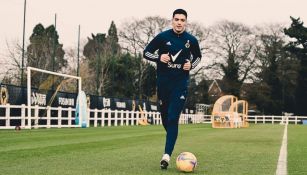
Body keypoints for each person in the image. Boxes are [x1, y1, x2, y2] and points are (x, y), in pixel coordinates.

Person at [143, 9, 202, 170]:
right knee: (165, 119)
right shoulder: (163, 37)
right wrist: (158, 57)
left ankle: (166, 156)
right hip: (163, 85)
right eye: (177, 19)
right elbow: (146, 52)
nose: (179, 22)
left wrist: (191, 65)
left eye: (182, 20)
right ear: (172, 21)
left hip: (180, 85)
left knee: (173, 117)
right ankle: (172, 139)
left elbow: (197, 57)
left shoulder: (191, 40)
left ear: (186, 22)